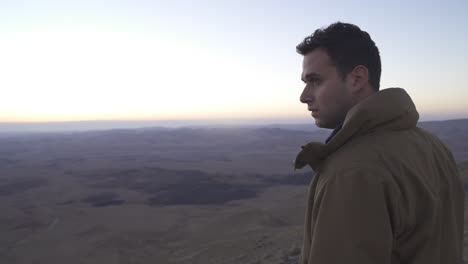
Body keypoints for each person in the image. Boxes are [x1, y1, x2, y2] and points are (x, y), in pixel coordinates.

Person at [293, 22, 464, 264]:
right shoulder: (433, 146)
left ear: (357, 78)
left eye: (315, 81)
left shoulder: (352, 171)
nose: (304, 96)